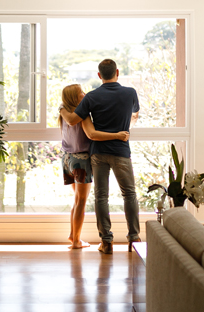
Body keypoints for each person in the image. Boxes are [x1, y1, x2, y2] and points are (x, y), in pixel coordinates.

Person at [59, 59, 140, 254]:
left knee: (100, 197)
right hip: (120, 151)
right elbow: (135, 115)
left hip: (97, 154)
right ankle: (134, 238)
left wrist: (61, 108)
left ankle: (106, 241)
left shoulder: (91, 97)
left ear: (98, 75)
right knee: (129, 194)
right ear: (117, 72)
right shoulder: (130, 93)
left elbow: (73, 120)